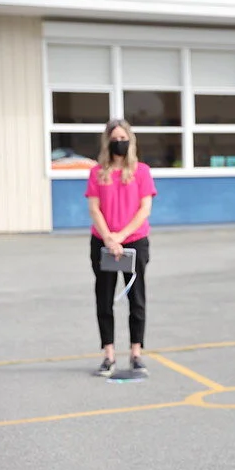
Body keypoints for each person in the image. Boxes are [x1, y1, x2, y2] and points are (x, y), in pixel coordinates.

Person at [85, 119, 157, 377]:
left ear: (131, 141)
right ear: (108, 142)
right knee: (104, 300)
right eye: (115, 138)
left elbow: (144, 209)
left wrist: (121, 236)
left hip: (134, 242)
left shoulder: (142, 171)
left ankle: (136, 353)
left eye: (123, 138)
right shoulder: (97, 173)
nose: (119, 143)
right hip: (103, 244)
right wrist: (109, 238)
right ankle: (109, 355)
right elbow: (94, 208)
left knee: (136, 299)